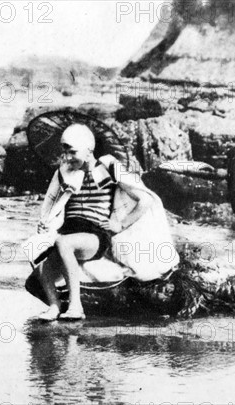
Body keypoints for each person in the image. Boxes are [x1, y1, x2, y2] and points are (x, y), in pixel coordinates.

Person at [34, 124, 153, 321]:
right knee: (42, 268)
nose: (67, 157)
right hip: (70, 232)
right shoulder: (65, 173)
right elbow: (52, 204)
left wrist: (121, 225)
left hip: (95, 234)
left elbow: (145, 200)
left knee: (64, 243)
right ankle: (54, 307)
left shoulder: (108, 168)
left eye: (72, 152)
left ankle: (76, 306)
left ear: (89, 150)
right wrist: (46, 223)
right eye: (65, 151)